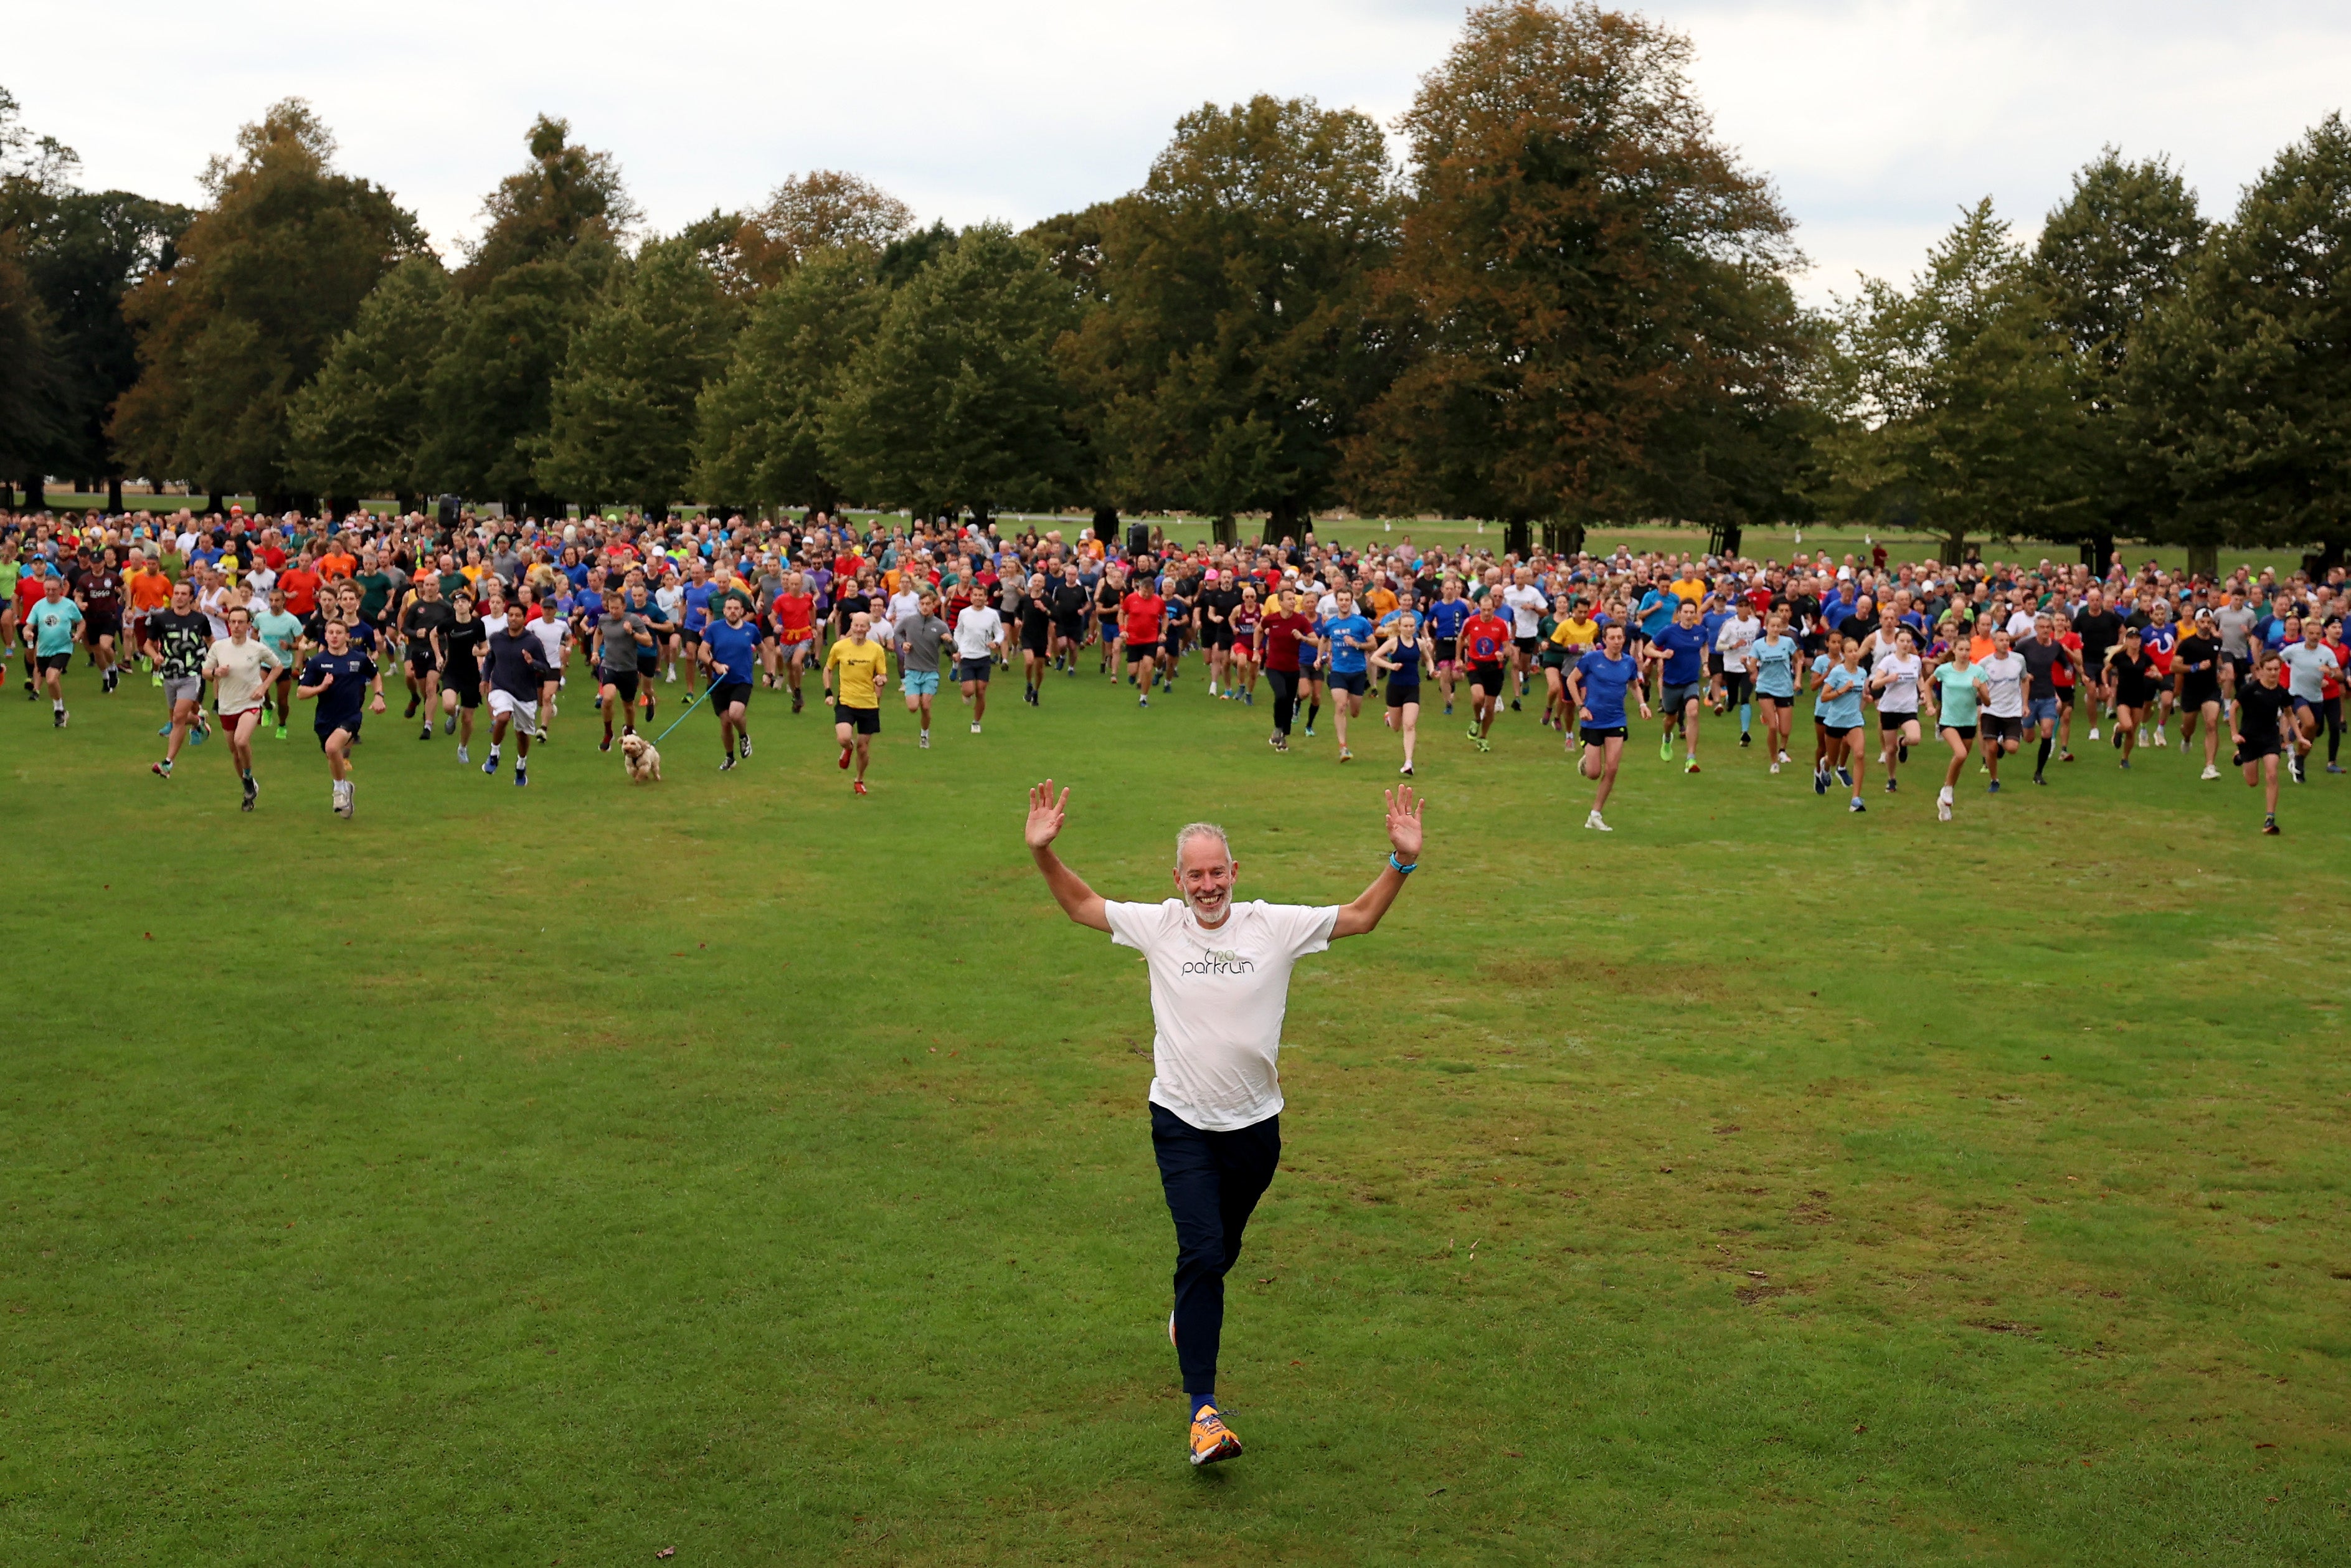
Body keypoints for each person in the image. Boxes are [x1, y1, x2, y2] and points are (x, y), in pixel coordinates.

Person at [1022, 778, 1424, 1468]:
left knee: (1219, 1252)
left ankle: (1189, 1311)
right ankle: (1202, 1412)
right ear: (1175, 879)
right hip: (1180, 1120)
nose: (1207, 886)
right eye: (1194, 876)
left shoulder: (1274, 924)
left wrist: (1402, 862)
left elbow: (1359, 917)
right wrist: (1043, 855)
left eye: (1217, 873)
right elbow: (1083, 905)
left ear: (1234, 872)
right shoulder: (1160, 925)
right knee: (1203, 1251)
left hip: (1255, 1131)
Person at [295, 617, 382, 818]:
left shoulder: (359, 659)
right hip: (325, 719)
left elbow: (375, 675)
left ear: (347, 636)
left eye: (339, 633)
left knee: (333, 748)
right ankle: (346, 789)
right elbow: (300, 693)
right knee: (332, 755)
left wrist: (379, 696)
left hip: (351, 716)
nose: (334, 636)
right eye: (331, 633)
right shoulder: (317, 662)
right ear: (325, 636)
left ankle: (339, 791)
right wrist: (321, 687)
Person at [1568, 621, 1648, 831]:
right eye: (1611, 638)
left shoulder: (1628, 663)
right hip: (1593, 720)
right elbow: (1571, 681)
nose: (1616, 642)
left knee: (1612, 768)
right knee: (1595, 773)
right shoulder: (1592, 659)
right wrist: (1581, 707)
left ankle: (1596, 814)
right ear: (1604, 640)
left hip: (1616, 720)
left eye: (1619, 638)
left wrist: (1642, 704)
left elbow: (1634, 685)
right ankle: (1588, 760)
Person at [202, 604, 283, 811]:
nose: (236, 626)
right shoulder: (219, 647)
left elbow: (278, 666)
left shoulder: (257, 648)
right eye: (233, 622)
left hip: (250, 702)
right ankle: (248, 787)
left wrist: (263, 688)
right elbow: (206, 672)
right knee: (235, 753)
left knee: (241, 740)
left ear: (248, 625)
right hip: (227, 705)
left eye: (241, 622)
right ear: (229, 624)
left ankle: (247, 776)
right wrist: (216, 673)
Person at [146, 578, 215, 775]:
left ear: (191, 597)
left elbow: (211, 641)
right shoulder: (162, 619)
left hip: (192, 673)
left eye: (184, 594)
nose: (179, 597)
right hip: (169, 673)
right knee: (179, 717)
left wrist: (212, 662)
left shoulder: (200, 620)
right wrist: (155, 656)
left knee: (177, 718)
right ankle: (199, 722)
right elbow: (147, 644)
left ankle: (167, 764)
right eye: (176, 593)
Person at [701, 591, 770, 769]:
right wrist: (715, 664)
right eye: (729, 608)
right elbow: (702, 652)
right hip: (719, 682)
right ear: (724, 611)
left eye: (736, 609)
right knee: (725, 723)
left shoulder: (751, 630)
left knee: (735, 714)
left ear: (742, 611)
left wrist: (769, 673)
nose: (733, 611)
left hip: (742, 680)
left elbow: (763, 650)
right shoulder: (714, 628)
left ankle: (744, 736)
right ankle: (730, 757)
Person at [824, 610, 890, 795]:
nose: (859, 629)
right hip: (846, 701)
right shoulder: (839, 647)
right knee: (844, 738)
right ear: (851, 627)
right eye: (856, 626)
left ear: (869, 628)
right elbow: (828, 669)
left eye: (863, 626)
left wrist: (881, 681)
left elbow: (882, 675)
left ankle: (859, 780)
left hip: (868, 704)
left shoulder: (876, 650)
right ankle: (847, 748)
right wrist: (828, 692)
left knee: (864, 748)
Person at [1644, 597, 1710, 774]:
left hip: (1691, 681)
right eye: (1685, 612)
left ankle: (1691, 758)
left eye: (1692, 612)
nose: (1689, 616)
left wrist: (1705, 665)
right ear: (1679, 614)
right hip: (1671, 683)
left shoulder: (1701, 631)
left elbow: (1704, 647)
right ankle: (1667, 738)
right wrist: (1662, 654)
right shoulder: (1669, 631)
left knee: (1693, 712)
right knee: (1670, 719)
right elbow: (1647, 649)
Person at [1928, 633, 1989, 823]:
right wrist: (1930, 705)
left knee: (1959, 762)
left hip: (1969, 723)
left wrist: (1980, 688)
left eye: (1967, 650)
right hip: (1948, 721)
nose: (1964, 653)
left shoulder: (1978, 672)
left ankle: (1944, 803)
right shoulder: (1944, 670)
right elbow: (1927, 684)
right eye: (1960, 649)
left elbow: (1988, 701)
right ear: (1954, 650)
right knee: (1961, 754)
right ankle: (1947, 791)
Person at [2232, 651, 2292, 834]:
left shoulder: (2282, 692)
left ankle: (2270, 818)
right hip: (2249, 738)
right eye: (2270, 669)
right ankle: (2241, 756)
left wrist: (2299, 737)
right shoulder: (2251, 689)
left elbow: (2289, 713)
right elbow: (2234, 709)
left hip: (2270, 739)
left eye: (2276, 669)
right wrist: (2235, 734)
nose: (2273, 673)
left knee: (2272, 774)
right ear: (2261, 670)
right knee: (2252, 782)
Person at [1367, 610, 1432, 776]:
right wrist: (1391, 667)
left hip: (1412, 688)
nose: (1409, 629)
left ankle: (1408, 762)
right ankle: (1389, 718)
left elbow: (1428, 659)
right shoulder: (1393, 643)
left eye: (1412, 626)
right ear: (1400, 627)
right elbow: (1375, 657)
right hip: (1395, 688)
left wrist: (1432, 671)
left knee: (1409, 725)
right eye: (1406, 626)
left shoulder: (1420, 643)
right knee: (1396, 727)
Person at [2279, 617, 2343, 785]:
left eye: (2317, 634)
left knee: (2313, 733)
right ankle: (2291, 738)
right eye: (2311, 633)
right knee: (2309, 723)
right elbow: (2274, 660)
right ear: (2305, 634)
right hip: (2297, 694)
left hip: (2317, 697)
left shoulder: (2326, 653)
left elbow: (2340, 675)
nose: (2314, 637)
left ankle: (2299, 760)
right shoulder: (2293, 650)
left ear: (2321, 634)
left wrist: (2329, 672)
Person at [1318, 587, 1374, 763]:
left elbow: (1373, 644)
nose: (1344, 603)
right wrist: (1319, 658)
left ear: (1351, 602)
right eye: (1341, 600)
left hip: (1357, 672)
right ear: (1337, 602)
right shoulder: (1331, 624)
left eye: (1347, 600)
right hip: (1338, 671)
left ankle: (1351, 702)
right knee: (1341, 705)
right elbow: (1323, 639)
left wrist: (1356, 644)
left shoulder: (1361, 623)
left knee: (1355, 712)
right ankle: (1343, 747)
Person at [1815, 637, 1870, 811]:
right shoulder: (1838, 672)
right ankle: (1825, 765)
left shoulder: (1862, 673)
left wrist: (1867, 698)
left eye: (1857, 650)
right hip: (1835, 721)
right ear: (1844, 654)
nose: (1855, 654)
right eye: (1850, 651)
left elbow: (1862, 695)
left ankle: (1856, 799)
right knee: (1832, 758)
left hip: (1854, 722)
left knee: (1860, 754)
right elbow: (1824, 697)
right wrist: (1842, 690)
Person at [596, 588, 653, 752]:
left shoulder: (633, 620)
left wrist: (632, 633)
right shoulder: (604, 620)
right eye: (611, 608)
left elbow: (648, 641)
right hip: (609, 666)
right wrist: (595, 651)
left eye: (617, 608)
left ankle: (629, 730)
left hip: (628, 669)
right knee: (608, 699)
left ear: (624, 607)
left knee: (628, 706)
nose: (613, 611)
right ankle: (608, 733)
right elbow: (598, 633)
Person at [1868, 627, 1923, 794]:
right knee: (1890, 750)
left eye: (1908, 641)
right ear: (1896, 643)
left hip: (1908, 708)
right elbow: (1875, 684)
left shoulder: (1916, 660)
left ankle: (1903, 742)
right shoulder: (1888, 662)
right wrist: (1888, 679)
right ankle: (1892, 779)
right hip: (1889, 709)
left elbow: (1920, 677)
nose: (1906, 644)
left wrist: (1923, 694)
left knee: (1915, 738)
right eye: (1902, 641)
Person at [2174, 608, 2227, 780]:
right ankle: (2187, 738)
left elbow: (2217, 658)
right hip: (2191, 691)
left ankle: (2209, 766)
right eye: (2202, 622)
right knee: (2188, 728)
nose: (2206, 625)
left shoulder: (2217, 642)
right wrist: (2195, 667)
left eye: (2209, 622)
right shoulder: (2187, 644)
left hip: (2210, 690)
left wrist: (2222, 670)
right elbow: (2174, 667)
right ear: (2197, 623)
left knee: (2211, 724)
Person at [1256, 590, 1313, 753]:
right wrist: (1255, 650)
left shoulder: (1300, 620)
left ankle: (1283, 736)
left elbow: (1315, 640)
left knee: (1288, 702)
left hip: (1293, 668)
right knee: (1281, 695)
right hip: (1274, 667)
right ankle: (1277, 728)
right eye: (1289, 599)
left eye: (1294, 599)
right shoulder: (1271, 619)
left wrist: (1303, 638)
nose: (1293, 602)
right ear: (1280, 602)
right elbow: (1259, 630)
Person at [894, 589, 950, 747]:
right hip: (912, 670)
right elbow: (897, 633)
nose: (925, 607)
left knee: (925, 706)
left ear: (934, 605)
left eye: (928, 604)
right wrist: (903, 643)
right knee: (913, 707)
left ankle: (924, 735)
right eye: (922, 604)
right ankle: (918, 695)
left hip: (931, 671)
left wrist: (949, 641)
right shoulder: (910, 620)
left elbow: (953, 649)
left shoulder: (940, 626)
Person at [24, 574, 82, 729]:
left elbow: (81, 622)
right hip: (43, 650)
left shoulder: (69, 605)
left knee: (51, 678)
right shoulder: (39, 606)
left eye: (54, 590)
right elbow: (28, 626)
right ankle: (61, 710)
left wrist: (78, 635)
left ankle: (58, 711)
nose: (50, 593)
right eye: (47, 589)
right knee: (51, 680)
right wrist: (27, 633)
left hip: (63, 648)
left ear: (61, 590)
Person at [1457, 596, 1513, 752]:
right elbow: (1461, 639)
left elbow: (1507, 647)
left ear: (1494, 609)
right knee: (1478, 697)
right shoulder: (1471, 622)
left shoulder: (1501, 625)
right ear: (1479, 608)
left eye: (1490, 610)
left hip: (1495, 668)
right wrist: (1458, 659)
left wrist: (1503, 654)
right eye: (1484, 610)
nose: (1487, 613)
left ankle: (1483, 737)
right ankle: (1476, 719)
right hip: (1476, 665)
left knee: (1489, 708)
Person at [1976, 628, 2028, 791]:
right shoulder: (1984, 664)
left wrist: (2025, 704)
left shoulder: (2019, 660)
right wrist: (1983, 702)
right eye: (2001, 640)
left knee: (2012, 748)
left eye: (2007, 640)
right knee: (1991, 749)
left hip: (2012, 711)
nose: (2005, 643)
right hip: (1991, 711)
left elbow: (2025, 680)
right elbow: (1978, 685)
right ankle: (1994, 780)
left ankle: (2001, 740)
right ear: (1995, 642)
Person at [1749, 610, 1800, 773]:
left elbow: (1798, 661)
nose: (1776, 629)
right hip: (1765, 687)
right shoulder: (1759, 645)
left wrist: (1798, 679)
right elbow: (1752, 667)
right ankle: (1773, 762)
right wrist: (1748, 664)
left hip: (1784, 687)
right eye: (1773, 626)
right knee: (1773, 727)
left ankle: (1782, 750)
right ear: (1767, 627)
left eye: (1779, 626)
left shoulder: (1787, 642)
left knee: (1784, 730)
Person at [255, 585, 308, 741]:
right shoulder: (261, 618)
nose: (273, 603)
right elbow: (253, 633)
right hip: (265, 662)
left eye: (277, 600)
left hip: (283, 664)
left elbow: (302, 643)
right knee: (260, 687)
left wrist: (290, 646)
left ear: (284, 601)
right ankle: (268, 707)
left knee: (283, 701)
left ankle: (282, 725)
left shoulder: (292, 620)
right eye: (271, 600)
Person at [2106, 626, 2161, 770]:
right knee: (2127, 725)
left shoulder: (2145, 658)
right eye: (2132, 638)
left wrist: (2155, 675)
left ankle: (2125, 759)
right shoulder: (2120, 657)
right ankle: (2118, 729)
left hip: (2139, 696)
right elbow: (2105, 671)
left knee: (2132, 732)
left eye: (2137, 638)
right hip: (2123, 695)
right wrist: (2107, 686)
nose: (2135, 641)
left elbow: (2159, 674)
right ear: (2127, 640)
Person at [953, 587, 1006, 733]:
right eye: (975, 595)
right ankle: (965, 693)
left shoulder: (992, 614)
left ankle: (976, 722)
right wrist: (957, 649)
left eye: (980, 595)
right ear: (971, 597)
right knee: (969, 690)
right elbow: (958, 631)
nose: (977, 598)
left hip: (983, 656)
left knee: (981, 692)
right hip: (967, 656)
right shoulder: (964, 613)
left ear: (985, 598)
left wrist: (995, 642)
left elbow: (1000, 632)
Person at [1122, 572, 1166, 708]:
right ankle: (1133, 675)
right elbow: (1122, 613)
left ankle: (1143, 698)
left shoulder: (1158, 601)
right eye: (1144, 592)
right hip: (1133, 639)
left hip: (1150, 639)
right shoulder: (1131, 599)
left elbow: (1164, 616)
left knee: (1147, 668)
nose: (1147, 595)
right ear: (1140, 589)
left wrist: (1163, 632)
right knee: (1133, 670)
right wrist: (1122, 629)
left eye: (1150, 592)